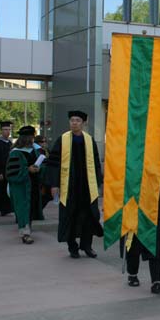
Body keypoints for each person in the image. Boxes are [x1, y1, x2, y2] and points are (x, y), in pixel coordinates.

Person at [45, 110, 104, 259]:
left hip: (86, 187)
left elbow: (96, 163)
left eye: (77, 120)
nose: (74, 123)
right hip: (69, 187)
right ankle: (72, 246)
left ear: (83, 123)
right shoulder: (62, 140)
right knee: (70, 216)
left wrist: (98, 182)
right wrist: (54, 184)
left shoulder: (90, 140)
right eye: (72, 120)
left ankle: (87, 246)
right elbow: (53, 163)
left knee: (89, 217)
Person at [123, 120, 160, 294]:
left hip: (156, 205)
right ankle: (133, 273)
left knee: (156, 242)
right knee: (134, 243)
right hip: (135, 204)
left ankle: (156, 281)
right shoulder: (133, 151)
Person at [6, 126, 42, 244]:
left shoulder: (35, 151)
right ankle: (25, 233)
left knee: (31, 208)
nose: (32, 140)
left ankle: (28, 228)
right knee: (22, 209)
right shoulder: (15, 153)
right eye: (31, 137)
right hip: (21, 186)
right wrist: (28, 170)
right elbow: (11, 172)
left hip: (33, 185)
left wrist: (39, 168)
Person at [34, 134, 53, 212]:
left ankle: (38, 209)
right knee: (44, 194)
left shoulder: (46, 150)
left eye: (45, 141)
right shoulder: (37, 151)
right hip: (41, 176)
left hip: (47, 175)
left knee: (47, 195)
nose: (44, 143)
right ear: (37, 142)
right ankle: (37, 210)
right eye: (42, 142)